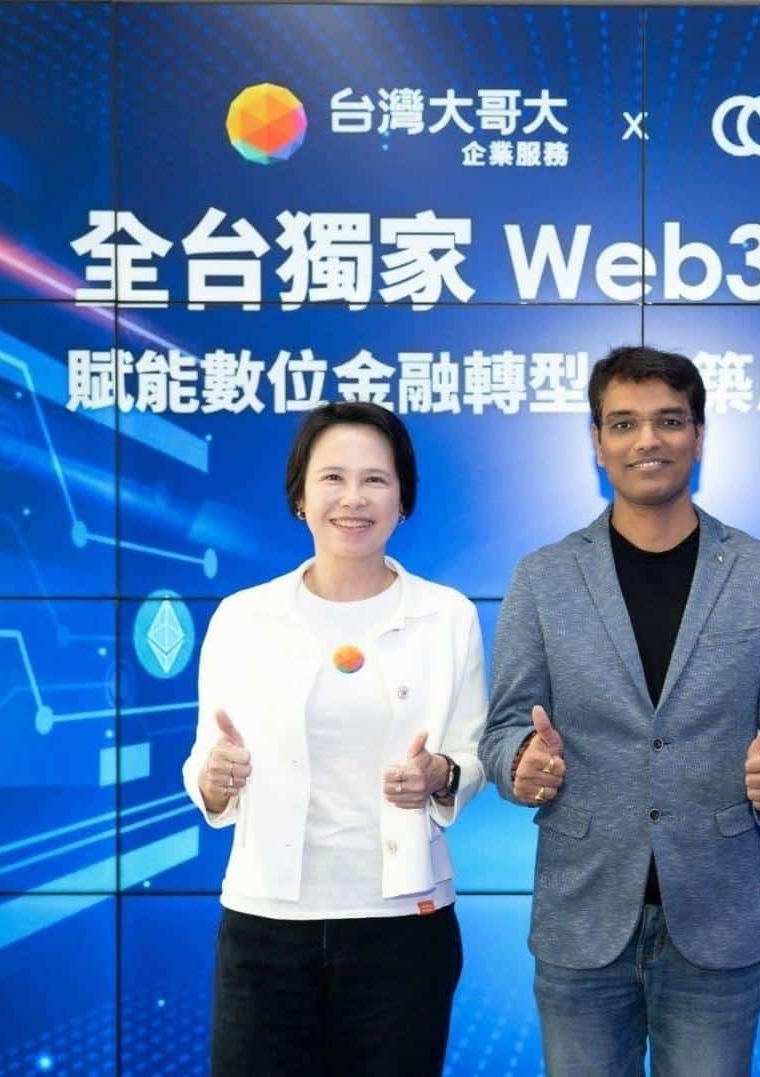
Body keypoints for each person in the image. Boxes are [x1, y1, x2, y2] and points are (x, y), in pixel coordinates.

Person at [478, 345, 760, 1076]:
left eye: (669, 421)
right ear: (596, 441)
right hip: (582, 914)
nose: (647, 440)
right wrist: (519, 764)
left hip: (718, 916)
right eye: (623, 423)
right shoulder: (543, 577)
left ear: (698, 436)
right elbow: (505, 727)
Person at [181, 401, 487, 1076]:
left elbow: (470, 755)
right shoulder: (243, 617)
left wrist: (439, 773)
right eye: (332, 478)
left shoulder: (447, 616)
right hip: (265, 925)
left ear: (403, 497)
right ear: (300, 495)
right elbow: (205, 757)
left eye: (375, 479)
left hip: (403, 925)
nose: (353, 498)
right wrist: (215, 777)